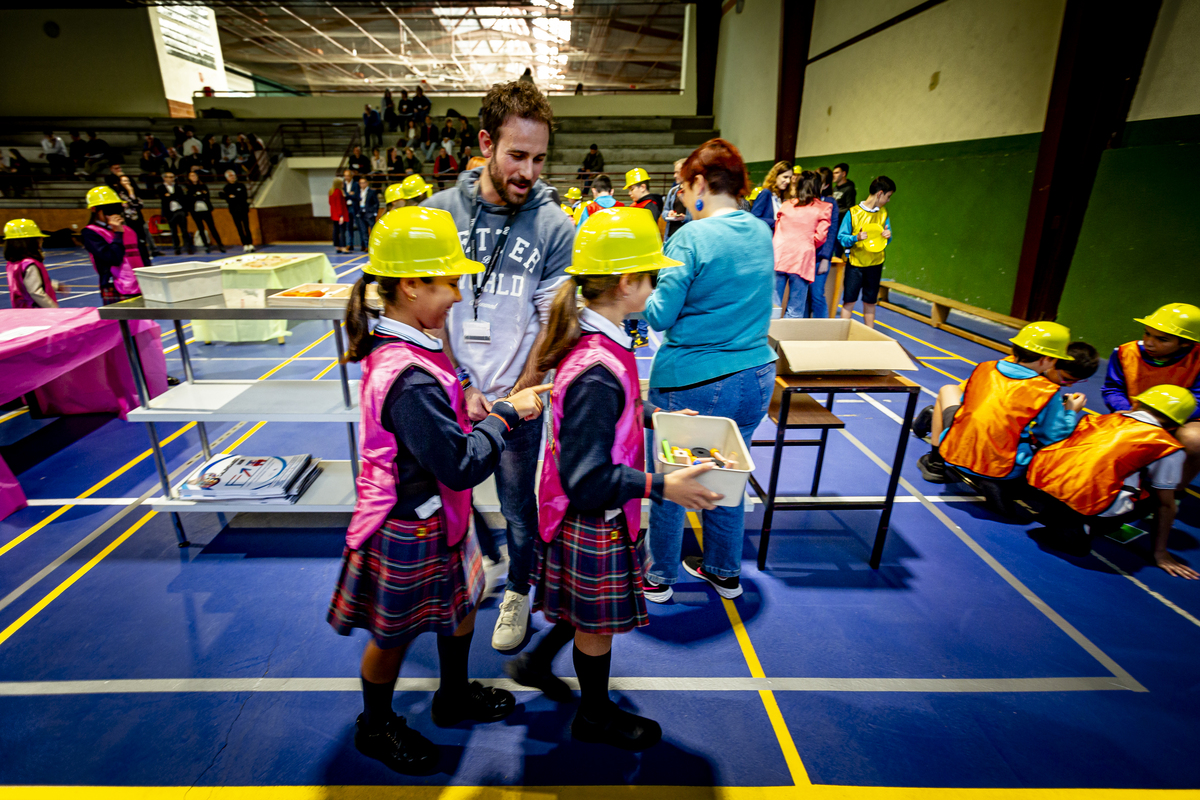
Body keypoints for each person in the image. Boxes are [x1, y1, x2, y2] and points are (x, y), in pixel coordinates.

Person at [328, 206, 550, 775]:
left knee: (460, 605)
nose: (457, 294)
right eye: (449, 282)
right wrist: (504, 414)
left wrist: (468, 398)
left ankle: (453, 694)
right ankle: (375, 725)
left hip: (440, 515)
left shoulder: (420, 347)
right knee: (393, 634)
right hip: (405, 522)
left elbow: (442, 424)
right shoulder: (407, 375)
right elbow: (457, 464)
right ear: (410, 285)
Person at [508, 207, 720, 748]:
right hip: (591, 513)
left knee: (584, 608)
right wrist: (662, 486)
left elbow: (612, 413)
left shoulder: (605, 340)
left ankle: (537, 660)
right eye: (651, 277)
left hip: (588, 511)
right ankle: (594, 716)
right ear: (626, 283)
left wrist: (655, 417)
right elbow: (587, 478)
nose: (656, 286)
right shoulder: (598, 367)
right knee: (596, 626)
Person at [421, 79, 576, 651]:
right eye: (516, 156)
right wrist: (461, 384)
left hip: (519, 398)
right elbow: (425, 312)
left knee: (517, 505)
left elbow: (552, 319)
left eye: (539, 159)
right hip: (449, 392)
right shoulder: (439, 215)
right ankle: (470, 569)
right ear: (486, 143)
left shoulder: (555, 226)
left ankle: (517, 588)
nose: (529, 172)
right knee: (447, 495)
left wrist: (517, 393)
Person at [641, 138, 777, 603]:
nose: (682, 198)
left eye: (681, 188)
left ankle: (658, 576)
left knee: (674, 481)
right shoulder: (760, 231)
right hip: (756, 377)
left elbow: (659, 315)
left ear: (699, 183)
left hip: (695, 381)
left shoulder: (690, 237)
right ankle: (723, 570)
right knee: (726, 476)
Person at [921, 324, 1098, 512]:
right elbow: (1054, 436)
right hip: (1004, 467)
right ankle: (998, 483)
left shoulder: (985, 367)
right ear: (1047, 359)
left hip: (956, 450)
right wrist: (1071, 412)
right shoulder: (1047, 391)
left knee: (948, 390)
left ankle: (936, 461)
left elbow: (966, 405)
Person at [1027, 385, 1197, 578]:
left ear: (1135, 403)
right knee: (1156, 494)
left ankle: (1059, 511)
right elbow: (1165, 505)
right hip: (1086, 504)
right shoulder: (1167, 446)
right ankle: (1087, 523)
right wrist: (1160, 553)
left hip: (1040, 487)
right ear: (1175, 425)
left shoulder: (1099, 419)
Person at [1101, 303, 1200, 488]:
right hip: (1134, 413)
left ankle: (1173, 490)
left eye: (1162, 339)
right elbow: (1112, 389)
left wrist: (1162, 417)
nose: (1149, 342)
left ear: (1186, 343)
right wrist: (1128, 411)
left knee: (1195, 441)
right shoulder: (1124, 352)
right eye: (1147, 333)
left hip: (1182, 418)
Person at [837, 175, 895, 327]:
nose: (888, 200)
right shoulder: (853, 213)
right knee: (849, 300)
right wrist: (855, 238)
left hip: (875, 263)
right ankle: (842, 334)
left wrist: (887, 236)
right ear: (880, 193)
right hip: (856, 264)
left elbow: (887, 237)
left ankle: (869, 335)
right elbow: (841, 237)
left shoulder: (883, 213)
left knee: (870, 301)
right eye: (888, 196)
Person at [772, 170, 831, 319]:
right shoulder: (824, 207)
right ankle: (784, 340)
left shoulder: (786, 205)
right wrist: (806, 244)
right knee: (795, 308)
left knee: (773, 306)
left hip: (779, 256)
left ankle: (768, 339)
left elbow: (778, 229)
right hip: (801, 260)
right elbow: (821, 237)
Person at [82, 185, 142, 304]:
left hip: (140, 284)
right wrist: (118, 233)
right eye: (109, 210)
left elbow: (142, 257)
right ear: (95, 210)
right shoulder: (90, 233)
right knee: (121, 322)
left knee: (146, 322)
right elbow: (112, 258)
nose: (115, 214)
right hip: (115, 286)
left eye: (117, 209)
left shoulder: (129, 231)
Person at [5, 219, 64, 308]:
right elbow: (36, 292)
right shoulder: (29, 264)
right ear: (30, 241)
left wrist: (54, 285)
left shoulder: (13, 263)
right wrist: (54, 310)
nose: (42, 239)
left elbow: (25, 283)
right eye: (39, 238)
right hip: (36, 311)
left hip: (21, 309)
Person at [808, 166, 840, 318]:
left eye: (819, 183)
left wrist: (826, 258)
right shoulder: (807, 201)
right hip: (805, 255)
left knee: (817, 295)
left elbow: (832, 232)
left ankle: (823, 330)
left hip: (820, 257)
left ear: (826, 185)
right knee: (804, 296)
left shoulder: (830, 203)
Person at [116, 174, 155, 263]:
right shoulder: (120, 194)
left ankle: (146, 260)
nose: (127, 183)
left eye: (128, 181)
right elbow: (132, 203)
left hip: (138, 219)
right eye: (124, 181)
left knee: (142, 240)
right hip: (127, 220)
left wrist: (132, 193)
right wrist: (131, 195)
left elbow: (140, 205)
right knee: (132, 241)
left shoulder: (136, 192)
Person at [184, 171, 225, 254]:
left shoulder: (203, 185)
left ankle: (220, 244)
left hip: (205, 210)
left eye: (194, 175)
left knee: (212, 227)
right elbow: (189, 198)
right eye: (191, 176)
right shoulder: (188, 187)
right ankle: (206, 245)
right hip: (195, 211)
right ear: (189, 177)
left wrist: (197, 195)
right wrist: (198, 196)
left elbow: (206, 196)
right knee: (201, 228)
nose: (193, 177)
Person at [749, 161, 792, 233]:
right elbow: (754, 218)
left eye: (790, 178)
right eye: (785, 177)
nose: (788, 181)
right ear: (775, 176)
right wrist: (777, 222)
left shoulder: (780, 196)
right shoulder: (766, 193)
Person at [221, 170, 254, 252]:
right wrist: (232, 197)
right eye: (230, 176)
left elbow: (243, 196)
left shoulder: (241, 185)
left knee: (246, 227)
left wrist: (234, 196)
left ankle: (250, 243)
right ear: (227, 178)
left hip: (243, 208)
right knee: (239, 228)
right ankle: (245, 244)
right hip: (234, 210)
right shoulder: (226, 188)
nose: (232, 177)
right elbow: (228, 199)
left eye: (233, 175)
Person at [663, 158, 691, 239]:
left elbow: (699, 217)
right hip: (671, 236)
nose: (674, 175)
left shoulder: (694, 192)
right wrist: (668, 214)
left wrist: (685, 218)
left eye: (677, 172)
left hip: (686, 237)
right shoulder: (673, 191)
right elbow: (664, 211)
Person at [330, 177, 351, 254]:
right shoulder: (338, 191)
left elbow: (331, 203)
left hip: (334, 215)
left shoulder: (331, 191)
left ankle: (337, 246)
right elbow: (339, 204)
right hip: (340, 215)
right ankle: (343, 247)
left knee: (336, 231)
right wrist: (341, 215)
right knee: (342, 232)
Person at [358, 176, 380, 242]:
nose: (362, 184)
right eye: (360, 183)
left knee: (373, 229)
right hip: (361, 213)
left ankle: (374, 243)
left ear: (367, 183)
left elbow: (376, 202)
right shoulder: (358, 192)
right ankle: (367, 245)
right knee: (364, 230)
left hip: (369, 213)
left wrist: (375, 212)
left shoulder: (372, 192)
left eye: (363, 183)